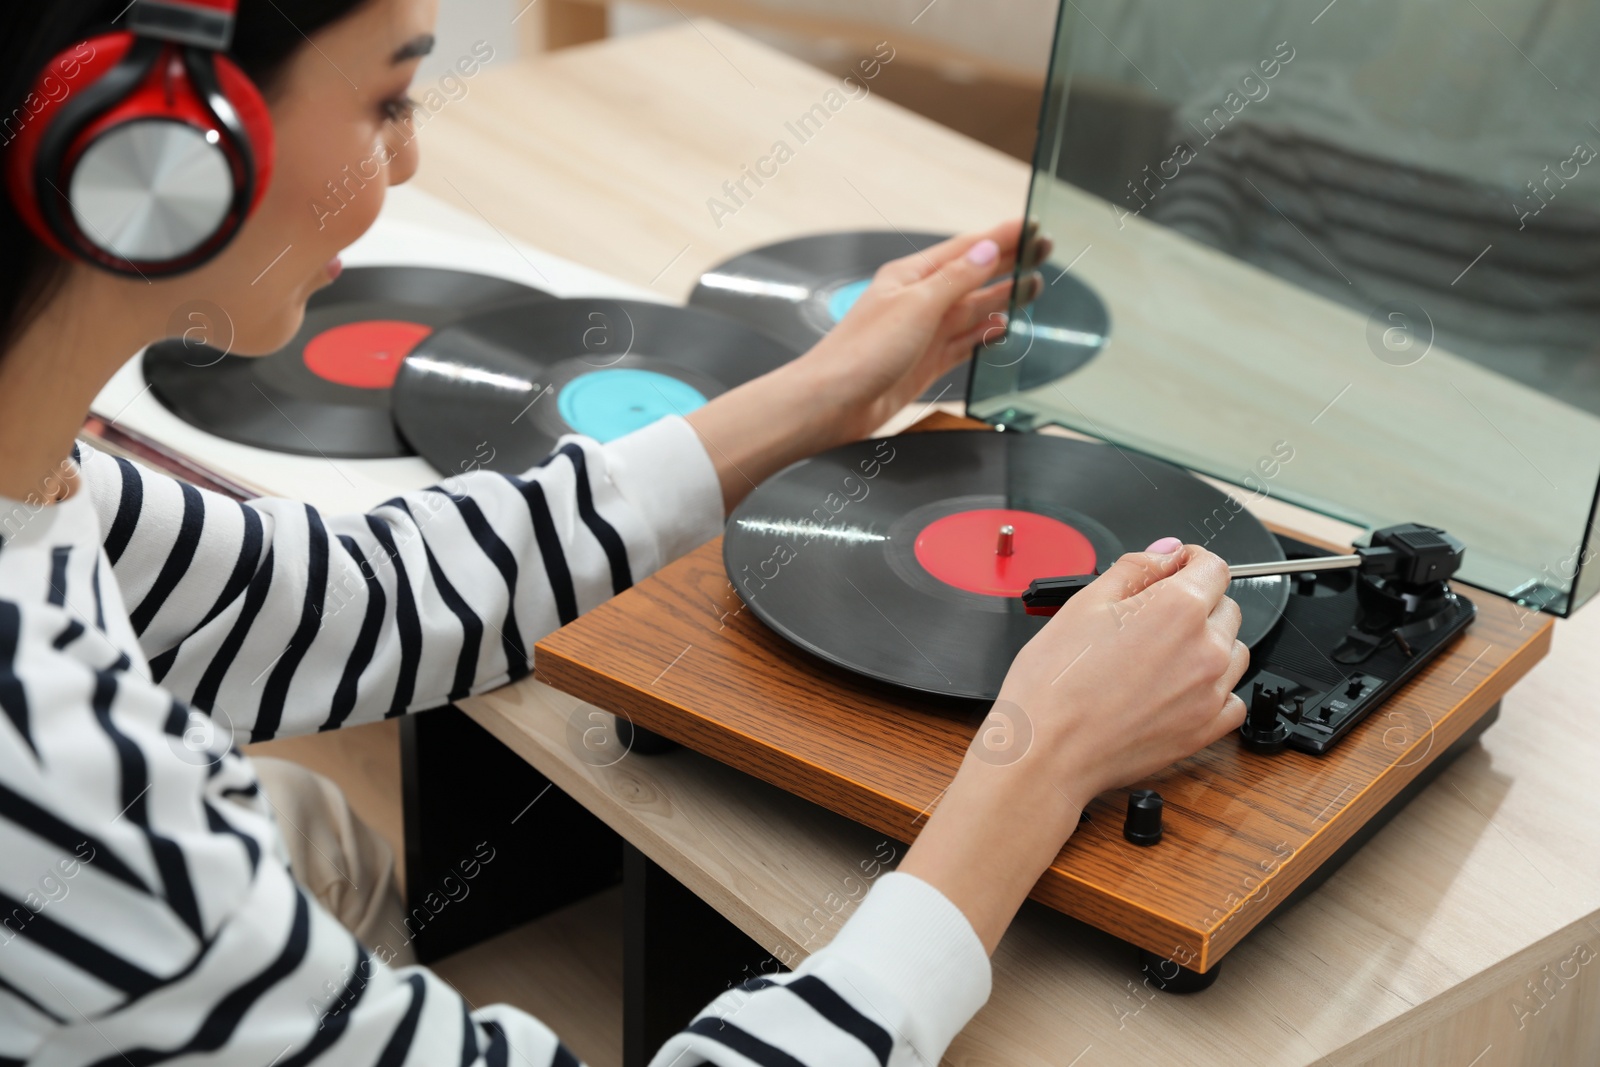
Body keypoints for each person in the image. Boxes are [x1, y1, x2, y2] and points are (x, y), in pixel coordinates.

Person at [0, 1, 1250, 1064]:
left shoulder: (35, 475)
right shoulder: (68, 798)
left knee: (319, 831)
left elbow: (341, 600)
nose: (412, 158)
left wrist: (818, 396)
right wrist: (1036, 771)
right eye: (388, 102)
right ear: (159, 144)